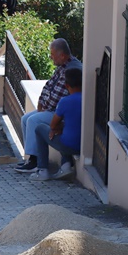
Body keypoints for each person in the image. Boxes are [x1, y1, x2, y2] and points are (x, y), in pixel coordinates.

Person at [15, 39, 82, 173]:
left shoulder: (71, 69)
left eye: (52, 54)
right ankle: (31, 157)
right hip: (52, 108)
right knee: (25, 118)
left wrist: (43, 106)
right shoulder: (62, 66)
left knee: (33, 120)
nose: (50, 57)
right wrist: (41, 103)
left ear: (62, 55)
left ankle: (36, 162)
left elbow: (56, 97)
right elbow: (48, 86)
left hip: (59, 112)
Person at [30, 67, 82, 181]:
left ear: (67, 86)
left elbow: (53, 125)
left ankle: (42, 170)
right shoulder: (88, 100)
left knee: (40, 128)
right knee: (64, 132)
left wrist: (56, 128)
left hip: (68, 146)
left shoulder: (65, 101)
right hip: (84, 147)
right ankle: (65, 165)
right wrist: (62, 128)